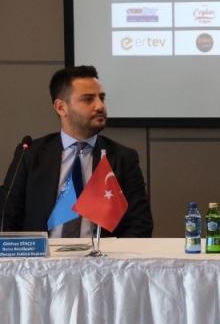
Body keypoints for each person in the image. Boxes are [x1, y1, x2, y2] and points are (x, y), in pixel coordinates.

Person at [0, 65, 153, 237]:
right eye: (88, 99)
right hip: (42, 253)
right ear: (61, 107)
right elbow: (7, 216)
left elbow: (140, 225)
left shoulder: (124, 158)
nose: (100, 106)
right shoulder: (29, 154)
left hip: (103, 254)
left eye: (102, 98)